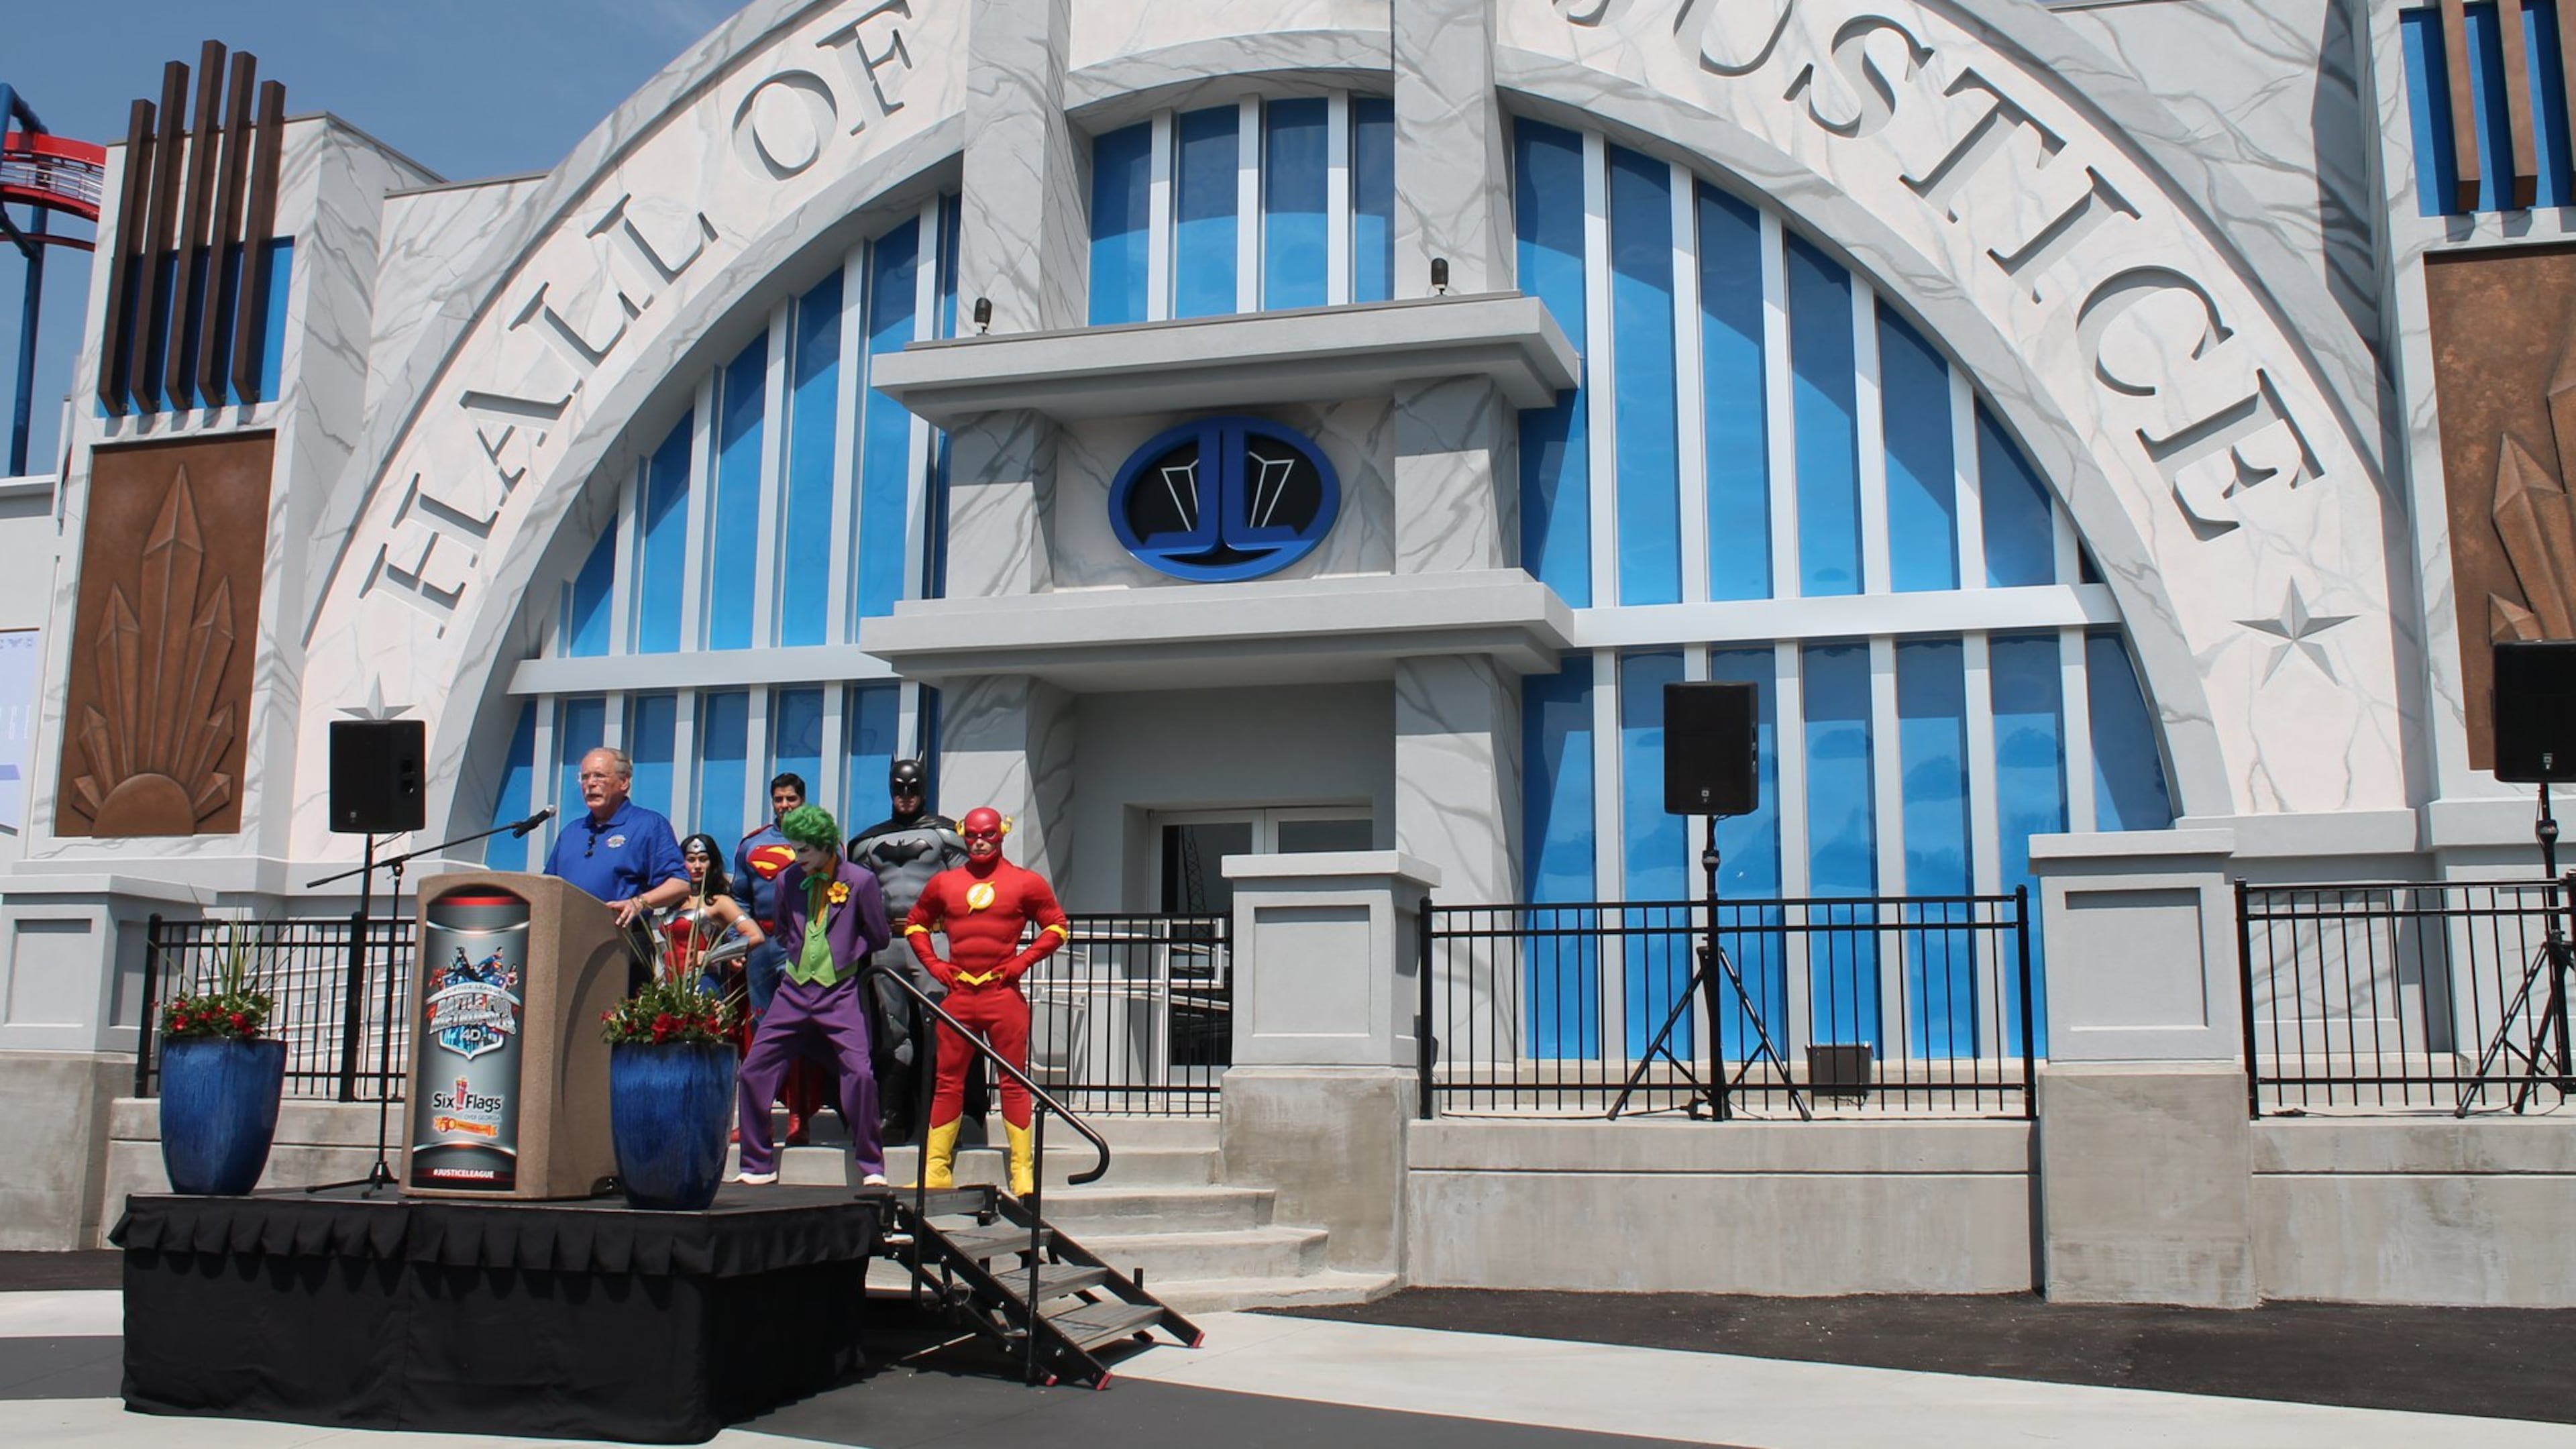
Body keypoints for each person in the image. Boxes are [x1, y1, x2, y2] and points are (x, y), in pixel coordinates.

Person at [904, 807, 1069, 1197]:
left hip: (1001, 994)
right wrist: (934, 966)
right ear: (963, 834)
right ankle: (936, 1168)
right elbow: (915, 924)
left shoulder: (1025, 883)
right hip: (959, 993)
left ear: (1001, 835)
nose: (980, 841)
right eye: (974, 834)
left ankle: (1022, 1171)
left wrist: (1021, 963)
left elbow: (1057, 927)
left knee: (1013, 1081)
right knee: (947, 1082)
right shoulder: (945, 883)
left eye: (989, 834)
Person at [733, 804, 892, 1187]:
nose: (796, 857)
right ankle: (757, 1165)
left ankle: (871, 1165)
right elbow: (785, 930)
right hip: (793, 989)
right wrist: (799, 958)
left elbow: (879, 935)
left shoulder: (861, 880)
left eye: (803, 850)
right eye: (793, 848)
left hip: (839, 991)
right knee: (754, 1070)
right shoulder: (788, 880)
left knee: (860, 1074)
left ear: (824, 846)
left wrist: (846, 956)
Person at [846, 758, 966, 1142]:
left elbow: (966, 891)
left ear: (924, 789)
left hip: (932, 938)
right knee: (893, 1031)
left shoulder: (946, 835)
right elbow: (854, 895)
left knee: (941, 1027)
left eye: (912, 789)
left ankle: (943, 1119)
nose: (906, 796)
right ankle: (893, 1114)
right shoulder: (866, 842)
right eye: (899, 789)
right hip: (888, 941)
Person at [543, 747, 689, 989]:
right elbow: (549, 888)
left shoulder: (649, 825)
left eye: (599, 776)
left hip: (623, 942)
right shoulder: (571, 832)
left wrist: (638, 903)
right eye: (585, 777)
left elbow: (680, 884)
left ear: (624, 782)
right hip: (570, 944)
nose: (590, 784)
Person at [735, 775, 830, 1141]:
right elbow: (740, 897)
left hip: (804, 945)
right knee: (760, 1033)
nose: (785, 805)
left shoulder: (822, 840)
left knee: (802, 1031)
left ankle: (798, 1117)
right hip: (762, 943)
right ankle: (754, 1119)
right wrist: (739, 938)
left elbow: (835, 892)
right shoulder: (752, 844)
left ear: (803, 800)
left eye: (791, 799)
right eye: (778, 799)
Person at [667, 833, 766, 1001]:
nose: (697, 866)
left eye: (703, 859)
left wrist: (712, 955)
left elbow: (756, 936)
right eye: (691, 860)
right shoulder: (675, 901)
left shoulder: (718, 902)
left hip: (702, 985)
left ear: (712, 863)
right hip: (670, 985)